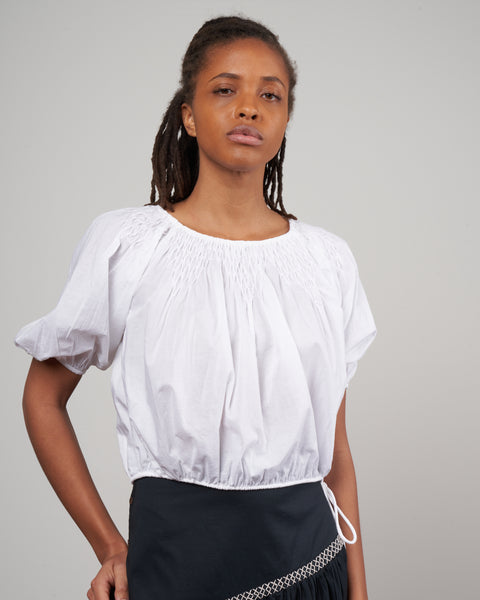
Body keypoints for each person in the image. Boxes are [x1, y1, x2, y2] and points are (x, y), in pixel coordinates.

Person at [14, 14, 377, 600]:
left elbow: (335, 456)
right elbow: (42, 397)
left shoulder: (325, 261)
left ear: (285, 119)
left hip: (311, 569)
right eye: (225, 89)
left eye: (270, 95)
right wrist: (110, 547)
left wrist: (358, 593)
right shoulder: (129, 244)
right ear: (188, 113)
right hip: (175, 570)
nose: (249, 108)